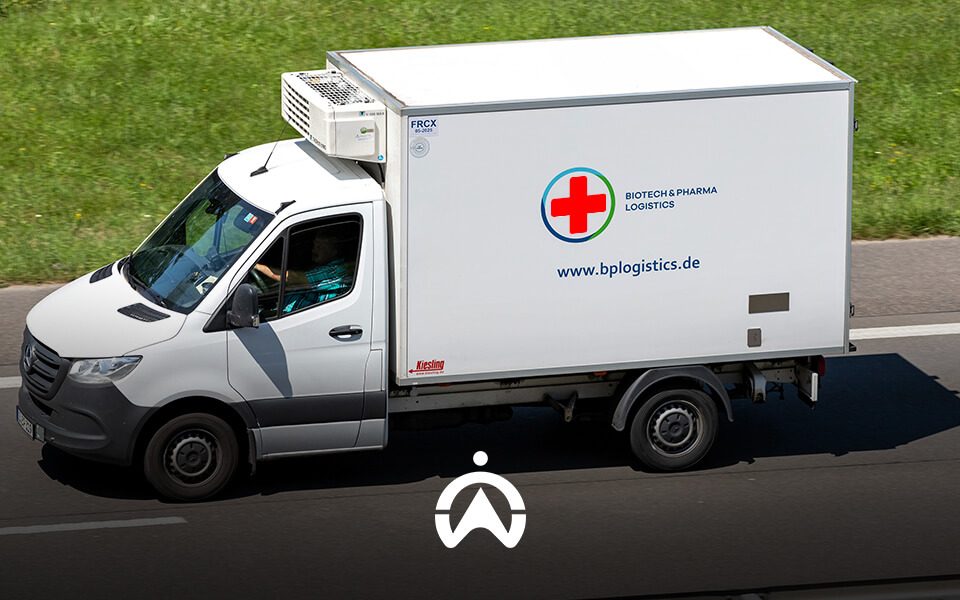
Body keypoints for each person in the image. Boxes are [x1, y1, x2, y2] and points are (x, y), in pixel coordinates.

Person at [253, 230, 355, 315]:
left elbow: (291, 278)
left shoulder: (335, 271)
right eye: (315, 245)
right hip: (288, 312)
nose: (315, 249)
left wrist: (256, 266)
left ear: (334, 251)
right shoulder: (321, 265)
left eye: (321, 247)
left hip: (304, 320)